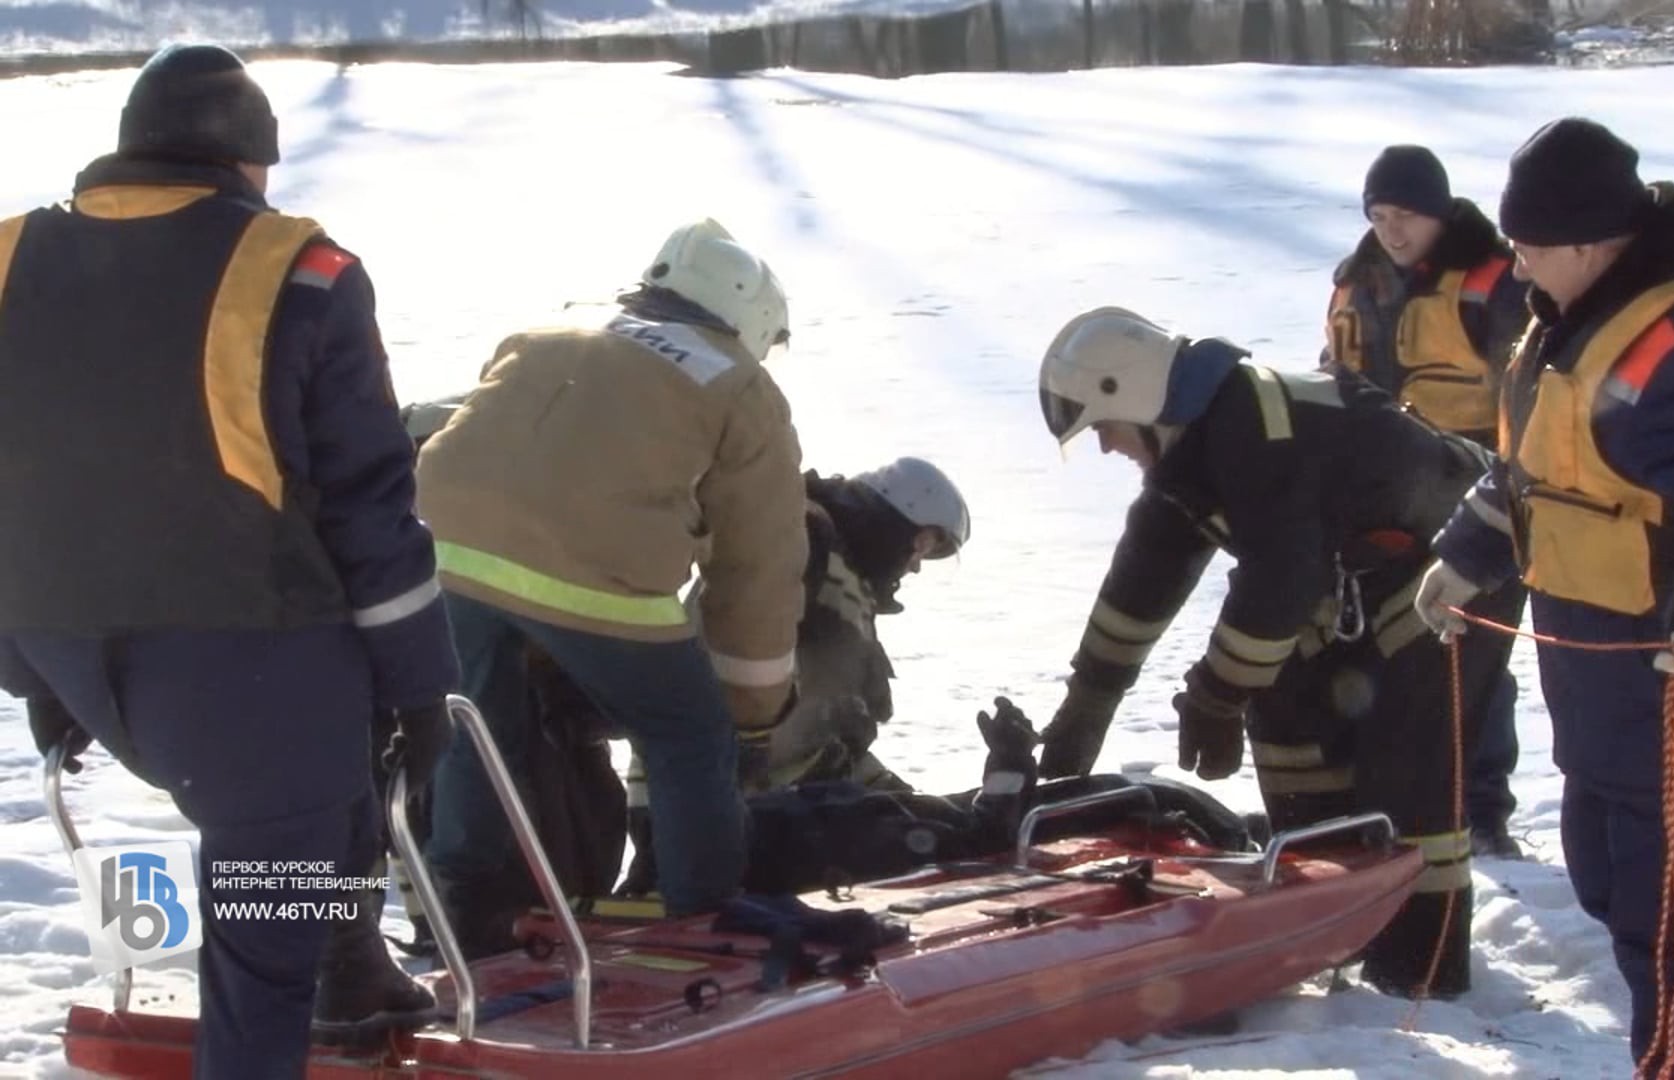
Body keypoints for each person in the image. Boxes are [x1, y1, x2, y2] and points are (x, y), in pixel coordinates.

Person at [0, 44, 457, 1076]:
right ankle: (289, 1004)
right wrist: (422, 684)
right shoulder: (300, 269)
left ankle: (347, 963)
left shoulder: (11, 255)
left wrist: (35, 663)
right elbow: (367, 504)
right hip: (244, 660)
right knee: (264, 941)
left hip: (69, 640)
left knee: (300, 799)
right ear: (251, 161)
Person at [1415, 117, 1674, 1078]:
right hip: (1607, 685)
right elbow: (1542, 462)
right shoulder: (1581, 306)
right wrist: (1469, 553)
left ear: (1591, 242)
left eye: (1527, 249)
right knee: (1614, 887)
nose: (1514, 269)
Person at [1034, 307, 1522, 997]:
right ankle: (1330, 927)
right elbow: (1145, 577)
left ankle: (1422, 969)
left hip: (1451, 571)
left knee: (1405, 769)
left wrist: (1218, 690)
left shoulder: (1256, 430)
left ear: (1133, 394)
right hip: (1357, 584)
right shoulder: (1194, 452)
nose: (1109, 448)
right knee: (1288, 731)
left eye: (1104, 428)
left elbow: (1282, 578)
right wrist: (1090, 699)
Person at [414, 218, 805, 955]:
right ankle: (703, 922)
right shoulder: (739, 386)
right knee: (687, 736)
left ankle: (462, 911)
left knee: (475, 726)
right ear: (751, 320)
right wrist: (751, 715)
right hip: (598, 577)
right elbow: (758, 565)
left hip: (443, 552)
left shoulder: (550, 330)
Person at [619, 457, 972, 895]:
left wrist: (905, 802)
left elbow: (822, 736)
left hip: (737, 805)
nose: (915, 566)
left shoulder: (841, 574)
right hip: (703, 803)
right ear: (896, 519)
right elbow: (729, 682)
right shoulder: (805, 543)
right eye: (921, 544)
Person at [1323, 144, 1531, 858]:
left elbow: (1533, 383)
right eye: (1379, 216)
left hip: (1474, 483)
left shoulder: (1494, 281)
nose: (1392, 230)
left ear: (1438, 211)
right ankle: (1395, 799)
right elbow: (1334, 378)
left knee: (1474, 651)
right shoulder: (1359, 283)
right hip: (1378, 491)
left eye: (1405, 215)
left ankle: (1483, 807)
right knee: (1386, 651)